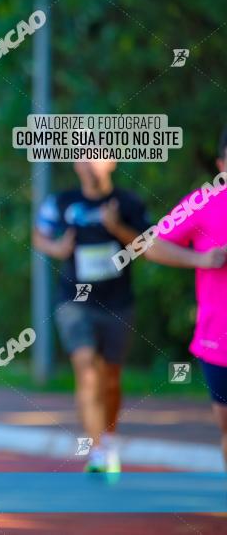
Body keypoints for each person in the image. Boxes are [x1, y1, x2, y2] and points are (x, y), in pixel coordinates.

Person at [33, 160, 151, 473]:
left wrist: (116, 228)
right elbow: (38, 236)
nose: (90, 164)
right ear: (75, 164)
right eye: (83, 157)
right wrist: (56, 248)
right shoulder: (61, 202)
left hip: (117, 302)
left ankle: (108, 438)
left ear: (110, 161)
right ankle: (98, 451)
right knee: (86, 370)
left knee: (110, 379)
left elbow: (149, 245)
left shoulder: (129, 203)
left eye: (96, 156)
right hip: (75, 301)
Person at [142, 128, 227, 465]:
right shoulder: (203, 202)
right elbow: (151, 245)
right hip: (218, 339)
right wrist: (200, 259)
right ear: (222, 164)